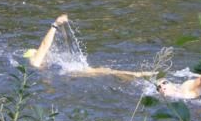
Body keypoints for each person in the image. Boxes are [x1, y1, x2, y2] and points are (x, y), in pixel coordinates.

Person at [25, 15, 153, 78]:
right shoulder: (35, 63)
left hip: (70, 74)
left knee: (106, 71)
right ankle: (135, 75)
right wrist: (55, 25)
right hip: (72, 74)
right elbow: (44, 45)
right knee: (106, 71)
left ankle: (131, 75)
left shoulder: (41, 67)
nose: (46, 55)